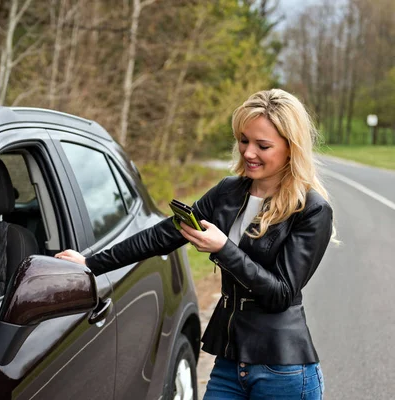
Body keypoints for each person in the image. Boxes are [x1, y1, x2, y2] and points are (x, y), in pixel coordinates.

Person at [56, 88, 333, 399]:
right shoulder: (229, 191)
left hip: (282, 370)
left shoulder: (311, 210)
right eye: (243, 140)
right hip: (230, 363)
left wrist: (223, 249)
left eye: (262, 145)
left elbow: (281, 294)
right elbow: (161, 236)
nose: (248, 152)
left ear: (290, 148)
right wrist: (91, 264)